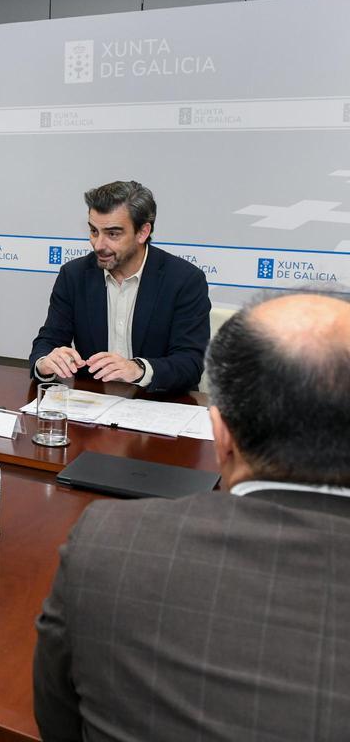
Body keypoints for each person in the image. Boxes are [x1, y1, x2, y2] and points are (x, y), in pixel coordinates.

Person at [33, 290, 350, 741]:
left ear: (219, 434)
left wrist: (140, 368)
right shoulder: (75, 277)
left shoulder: (109, 543)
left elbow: (57, 719)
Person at [28, 180, 210, 393]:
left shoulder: (184, 279)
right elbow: (48, 341)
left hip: (160, 400)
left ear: (142, 232)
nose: (98, 245)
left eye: (112, 234)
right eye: (94, 231)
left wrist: (138, 369)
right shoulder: (74, 275)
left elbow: (190, 362)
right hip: (94, 401)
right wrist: (45, 362)